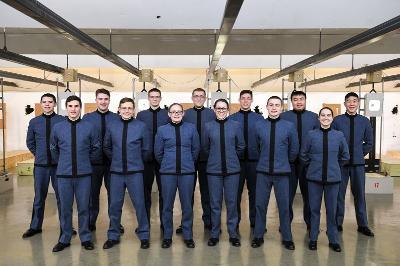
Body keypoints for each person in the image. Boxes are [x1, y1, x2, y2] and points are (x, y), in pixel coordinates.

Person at [50, 95, 101, 252]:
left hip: (84, 174)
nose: (73, 109)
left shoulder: (89, 127)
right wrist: (63, 162)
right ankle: (65, 238)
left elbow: (96, 148)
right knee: (65, 208)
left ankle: (85, 237)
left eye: (76, 106)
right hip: (64, 174)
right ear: (66, 107)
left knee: (84, 207)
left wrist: (84, 161)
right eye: (70, 106)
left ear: (80, 108)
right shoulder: (58, 127)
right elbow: (53, 148)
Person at [102, 98, 151, 250]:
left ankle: (144, 235)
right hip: (116, 173)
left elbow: (146, 149)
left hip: (135, 173)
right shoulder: (112, 126)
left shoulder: (141, 126)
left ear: (134, 109)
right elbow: (107, 147)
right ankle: (113, 235)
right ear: (119, 109)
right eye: (124, 108)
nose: (127, 110)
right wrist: (117, 159)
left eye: (130, 108)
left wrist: (135, 162)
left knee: (140, 205)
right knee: (115, 206)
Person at [251, 96, 299, 250]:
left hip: (283, 172)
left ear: (281, 108)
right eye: (271, 105)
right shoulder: (259, 125)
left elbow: (294, 149)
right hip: (263, 172)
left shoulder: (289, 126)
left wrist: (285, 162)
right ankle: (258, 235)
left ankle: (287, 237)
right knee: (260, 205)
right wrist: (263, 161)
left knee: (284, 206)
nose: (274, 108)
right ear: (266, 107)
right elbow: (254, 148)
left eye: (277, 105)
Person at [300, 107, 350, 252]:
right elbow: (303, 154)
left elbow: (345, 156)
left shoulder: (339, 135)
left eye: (328, 115)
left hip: (333, 179)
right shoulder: (311, 135)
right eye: (323, 115)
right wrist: (313, 165)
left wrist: (334, 166)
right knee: (314, 209)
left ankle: (333, 239)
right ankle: (313, 238)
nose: (326, 117)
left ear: (332, 118)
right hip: (314, 178)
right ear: (319, 118)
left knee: (332, 210)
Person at [154, 103, 200, 248]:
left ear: (183, 113)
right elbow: (158, 153)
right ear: (169, 114)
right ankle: (167, 236)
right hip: (168, 173)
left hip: (187, 173)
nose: (176, 114)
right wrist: (168, 164)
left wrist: (187, 163)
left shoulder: (191, 128)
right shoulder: (162, 130)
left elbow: (195, 150)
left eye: (179, 111)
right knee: (167, 206)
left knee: (187, 205)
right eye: (173, 112)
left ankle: (188, 235)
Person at [203, 99, 245, 247]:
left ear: (228, 110)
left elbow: (241, 146)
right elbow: (205, 147)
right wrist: (215, 158)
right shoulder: (208, 126)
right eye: (218, 108)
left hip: (233, 171)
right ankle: (214, 233)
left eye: (224, 108)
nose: (221, 110)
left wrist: (231, 157)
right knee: (215, 203)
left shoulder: (235, 126)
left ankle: (233, 234)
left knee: (232, 203)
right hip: (213, 171)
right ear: (214, 109)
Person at [22, 93, 65, 238]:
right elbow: (30, 142)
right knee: (39, 197)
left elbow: (65, 142)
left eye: (50, 102)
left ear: (54, 104)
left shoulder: (61, 120)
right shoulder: (34, 122)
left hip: (58, 166)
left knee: (62, 197)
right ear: (41, 104)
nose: (47, 104)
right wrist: (39, 154)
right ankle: (35, 226)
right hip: (41, 166)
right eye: (44, 102)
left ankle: (66, 227)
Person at [333, 92, 374, 237]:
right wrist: (340, 156)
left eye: (354, 101)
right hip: (341, 164)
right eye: (349, 101)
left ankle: (362, 225)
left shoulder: (364, 121)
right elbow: (333, 140)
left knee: (360, 195)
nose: (351, 103)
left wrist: (358, 154)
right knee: (339, 194)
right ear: (344, 104)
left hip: (358, 164)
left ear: (358, 104)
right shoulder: (337, 121)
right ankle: (337, 223)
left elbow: (369, 143)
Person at [82, 88, 121, 233]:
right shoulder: (87, 118)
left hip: (113, 164)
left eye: (106, 99)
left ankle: (115, 223)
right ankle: (91, 221)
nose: (103, 101)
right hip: (93, 164)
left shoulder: (117, 118)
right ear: (96, 100)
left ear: (109, 101)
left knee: (115, 196)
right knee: (92, 195)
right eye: (100, 99)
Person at [178, 88, 215, 233]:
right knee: (187, 193)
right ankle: (185, 223)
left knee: (207, 192)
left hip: (207, 159)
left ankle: (209, 220)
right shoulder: (185, 114)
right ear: (192, 98)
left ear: (205, 98)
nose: (199, 98)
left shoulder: (211, 114)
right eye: (196, 96)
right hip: (188, 160)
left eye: (201, 96)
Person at [281, 90, 319, 230]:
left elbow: (318, 139)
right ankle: (285, 224)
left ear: (305, 100)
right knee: (286, 196)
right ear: (291, 101)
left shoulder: (314, 118)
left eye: (301, 99)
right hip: (288, 164)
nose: (298, 101)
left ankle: (310, 223)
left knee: (310, 196)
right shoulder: (283, 117)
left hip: (308, 164)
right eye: (295, 99)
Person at [230, 90, 263, 230]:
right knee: (235, 193)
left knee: (255, 192)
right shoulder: (231, 118)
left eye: (248, 98)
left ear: (251, 100)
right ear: (239, 100)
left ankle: (255, 221)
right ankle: (234, 222)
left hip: (254, 161)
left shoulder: (259, 119)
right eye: (243, 98)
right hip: (236, 162)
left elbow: (263, 140)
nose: (245, 101)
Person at [136, 88, 170, 229]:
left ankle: (165, 223)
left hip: (164, 160)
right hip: (146, 160)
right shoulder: (141, 115)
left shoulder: (166, 115)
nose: (155, 99)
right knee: (145, 193)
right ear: (148, 98)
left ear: (160, 98)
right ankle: (145, 224)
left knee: (165, 193)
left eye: (157, 97)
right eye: (152, 97)